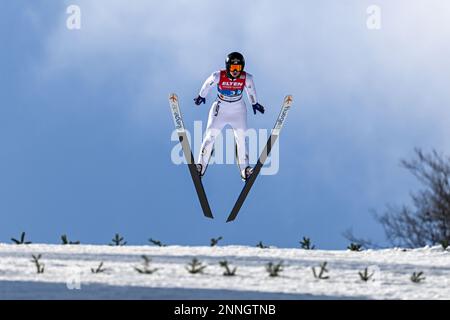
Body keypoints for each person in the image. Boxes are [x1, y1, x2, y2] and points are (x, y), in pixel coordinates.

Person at [194, 52, 265, 181]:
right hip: (221, 108)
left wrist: (254, 103)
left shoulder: (246, 78)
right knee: (210, 135)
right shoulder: (218, 76)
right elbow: (207, 84)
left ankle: (245, 170)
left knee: (242, 138)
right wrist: (201, 95)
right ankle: (200, 166)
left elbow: (250, 90)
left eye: (238, 68)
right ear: (228, 67)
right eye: (232, 68)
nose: (235, 71)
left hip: (238, 110)